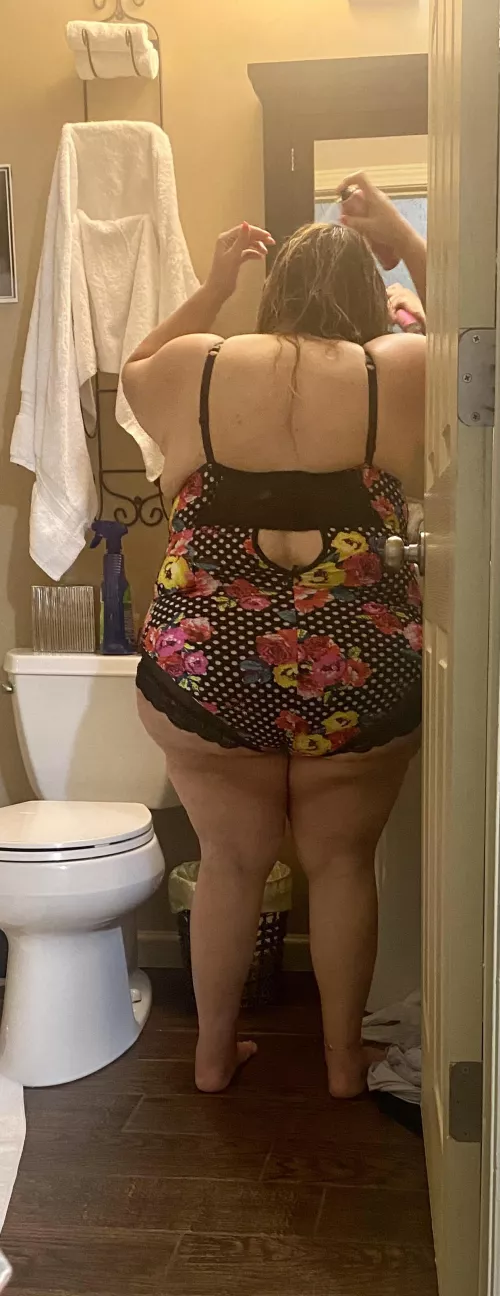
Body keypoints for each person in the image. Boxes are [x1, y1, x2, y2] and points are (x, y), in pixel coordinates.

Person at [122, 172, 426, 1099]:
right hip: (360, 671)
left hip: (206, 670)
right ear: (371, 295)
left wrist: (214, 286)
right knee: (342, 864)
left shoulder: (203, 364)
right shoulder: (399, 369)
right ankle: (340, 1066)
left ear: (276, 288)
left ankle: (213, 1058)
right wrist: (408, 240)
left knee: (229, 863)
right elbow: (479, 352)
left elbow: (135, 369)